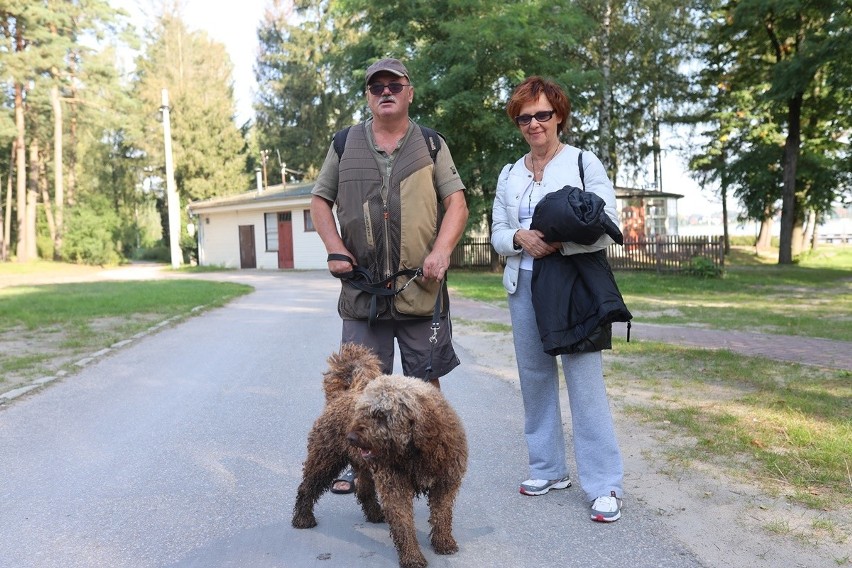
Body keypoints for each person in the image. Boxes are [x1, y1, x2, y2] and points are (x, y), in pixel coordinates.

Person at [311, 57, 469, 494]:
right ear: (368, 95)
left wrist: (441, 250)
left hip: (420, 288)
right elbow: (320, 201)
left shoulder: (432, 144)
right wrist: (335, 249)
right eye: (376, 85)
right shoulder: (344, 143)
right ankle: (353, 463)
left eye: (394, 85)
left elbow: (456, 203)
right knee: (354, 386)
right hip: (363, 290)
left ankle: (428, 460)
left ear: (409, 92)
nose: (386, 91)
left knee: (427, 382)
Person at [490, 76, 626, 522]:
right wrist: (518, 237)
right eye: (525, 117)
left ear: (559, 116)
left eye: (542, 114)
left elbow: (606, 222)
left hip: (571, 287)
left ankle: (604, 483)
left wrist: (557, 243)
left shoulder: (584, 163)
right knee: (534, 377)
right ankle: (547, 468)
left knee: (584, 382)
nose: (534, 124)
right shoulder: (510, 173)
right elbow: (495, 232)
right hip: (523, 286)